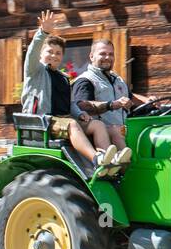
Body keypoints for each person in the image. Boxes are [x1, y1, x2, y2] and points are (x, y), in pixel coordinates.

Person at [20, 11, 124, 180]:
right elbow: (31, 53)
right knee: (72, 125)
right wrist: (43, 32)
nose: (54, 55)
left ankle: (108, 162)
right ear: (41, 54)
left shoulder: (63, 78)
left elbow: (69, 103)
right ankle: (96, 159)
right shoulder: (34, 71)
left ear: (62, 57)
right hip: (42, 122)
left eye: (58, 53)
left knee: (97, 124)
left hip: (61, 120)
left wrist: (79, 113)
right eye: (50, 51)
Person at [72, 38, 145, 162]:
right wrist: (111, 105)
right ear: (91, 56)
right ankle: (125, 173)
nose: (107, 57)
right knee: (119, 137)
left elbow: (131, 97)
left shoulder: (116, 78)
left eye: (111, 54)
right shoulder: (85, 80)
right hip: (105, 134)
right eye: (102, 53)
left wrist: (153, 101)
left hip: (126, 130)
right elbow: (82, 106)